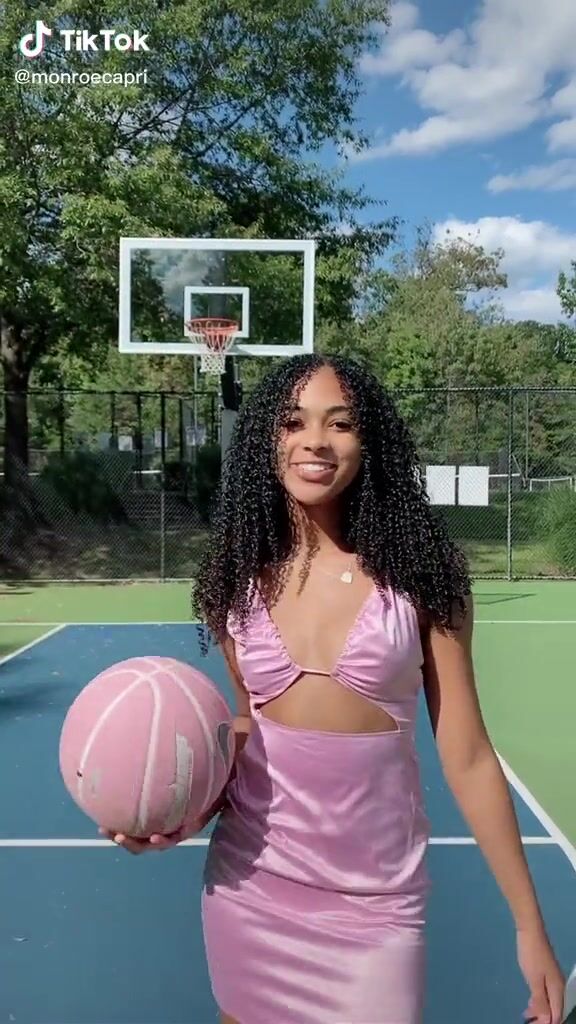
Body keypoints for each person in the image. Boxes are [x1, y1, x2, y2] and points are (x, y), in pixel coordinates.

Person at [104, 355, 565, 1024]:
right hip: (251, 888)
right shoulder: (238, 576)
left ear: (368, 441)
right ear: (267, 440)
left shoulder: (423, 577)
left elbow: (467, 757)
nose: (315, 441)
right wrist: (181, 811)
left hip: (378, 908)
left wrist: (529, 926)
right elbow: (248, 729)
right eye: (293, 423)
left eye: (340, 424)